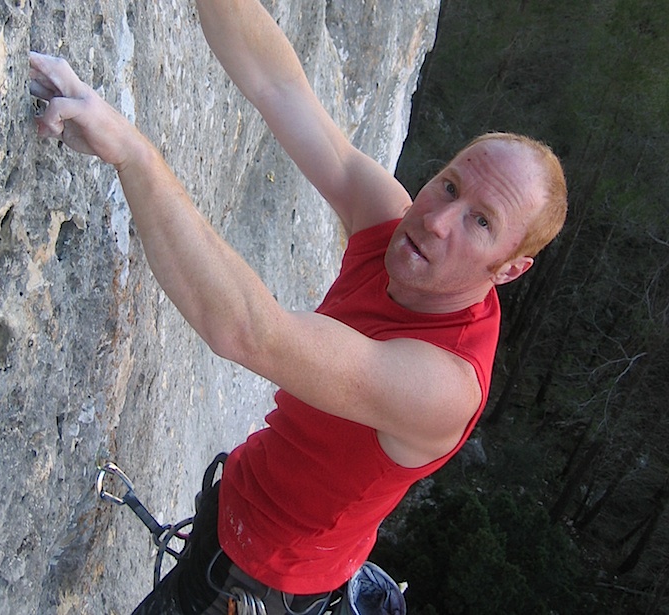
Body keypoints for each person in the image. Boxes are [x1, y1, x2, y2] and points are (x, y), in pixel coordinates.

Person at [29, 0, 568, 612]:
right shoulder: (394, 227)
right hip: (233, 524)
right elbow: (279, 87)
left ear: (510, 269)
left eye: (481, 222)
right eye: (449, 184)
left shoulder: (443, 384)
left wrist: (132, 153)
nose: (437, 220)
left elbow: (250, 332)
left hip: (263, 586)